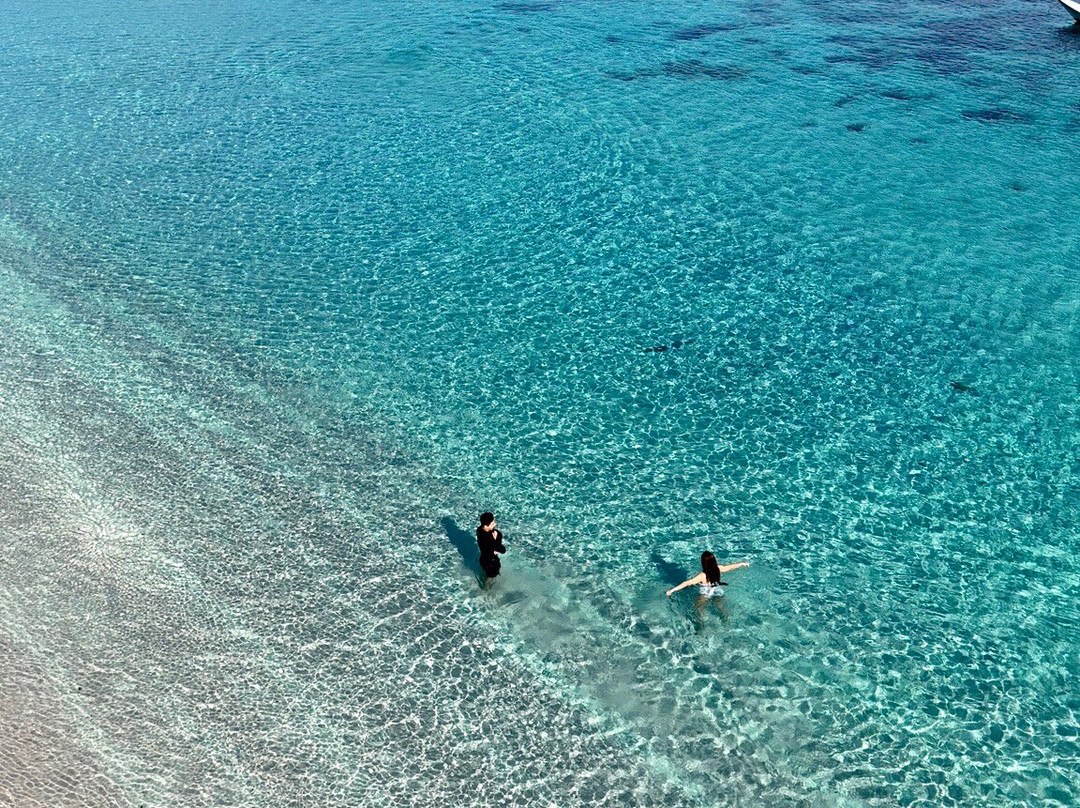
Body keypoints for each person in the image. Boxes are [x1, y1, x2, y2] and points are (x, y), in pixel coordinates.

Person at [666, 551, 749, 598]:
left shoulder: (702, 576)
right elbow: (730, 567)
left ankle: (702, 626)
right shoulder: (719, 568)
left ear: (703, 563)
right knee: (721, 608)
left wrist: (672, 590)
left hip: (705, 593)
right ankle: (726, 622)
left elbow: (687, 583)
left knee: (699, 611)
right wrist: (741, 564)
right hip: (717, 590)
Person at [476, 512, 506, 582]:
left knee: (486, 575)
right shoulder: (489, 538)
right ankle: (486, 590)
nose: (495, 524)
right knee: (490, 579)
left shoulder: (479, 530)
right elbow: (503, 550)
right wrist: (494, 539)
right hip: (491, 564)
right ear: (486, 526)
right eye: (492, 523)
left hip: (483, 559)